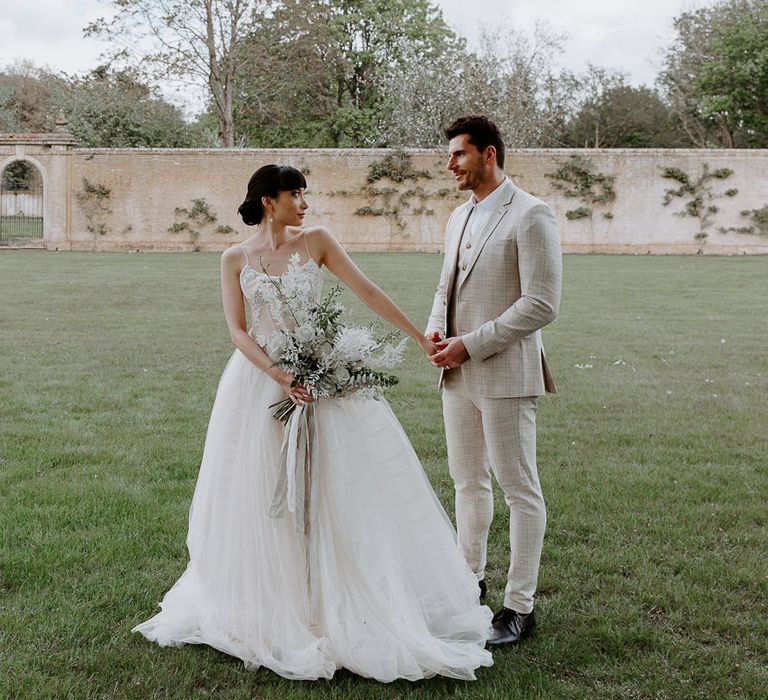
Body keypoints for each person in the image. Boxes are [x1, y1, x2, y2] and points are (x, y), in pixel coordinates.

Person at [132, 164, 492, 681]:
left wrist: (419, 336)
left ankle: (339, 600)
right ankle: (277, 601)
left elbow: (367, 291)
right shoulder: (234, 257)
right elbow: (237, 330)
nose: (304, 203)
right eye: (294, 194)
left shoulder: (317, 240)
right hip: (258, 382)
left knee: (337, 487)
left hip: (324, 376)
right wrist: (278, 374)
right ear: (267, 201)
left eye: (304, 193)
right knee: (263, 491)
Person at [426, 115, 562, 646]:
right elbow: (445, 286)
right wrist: (438, 331)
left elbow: (542, 303)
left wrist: (473, 342)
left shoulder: (532, 214)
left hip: (505, 373)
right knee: (466, 482)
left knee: (519, 490)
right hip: (456, 375)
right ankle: (469, 583)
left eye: (458, 154)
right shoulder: (458, 217)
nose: (450, 164)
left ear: (488, 154)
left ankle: (519, 609)